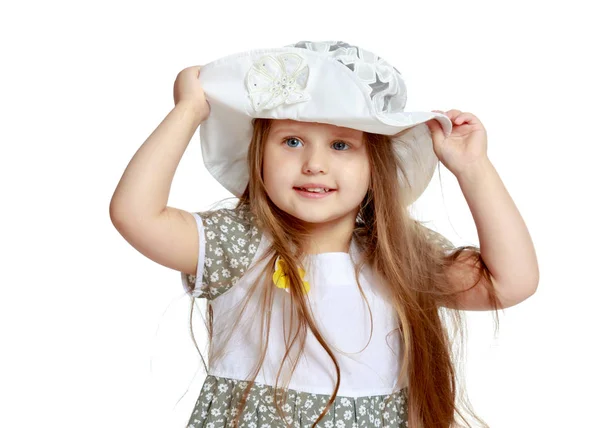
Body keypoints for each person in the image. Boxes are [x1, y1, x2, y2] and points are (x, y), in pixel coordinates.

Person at [110, 41, 539, 428]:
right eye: (292, 141)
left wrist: (473, 168)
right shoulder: (240, 244)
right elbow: (136, 215)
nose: (314, 164)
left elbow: (510, 283)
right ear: (259, 155)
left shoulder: (398, 256)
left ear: (376, 167)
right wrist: (189, 110)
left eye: (340, 145)